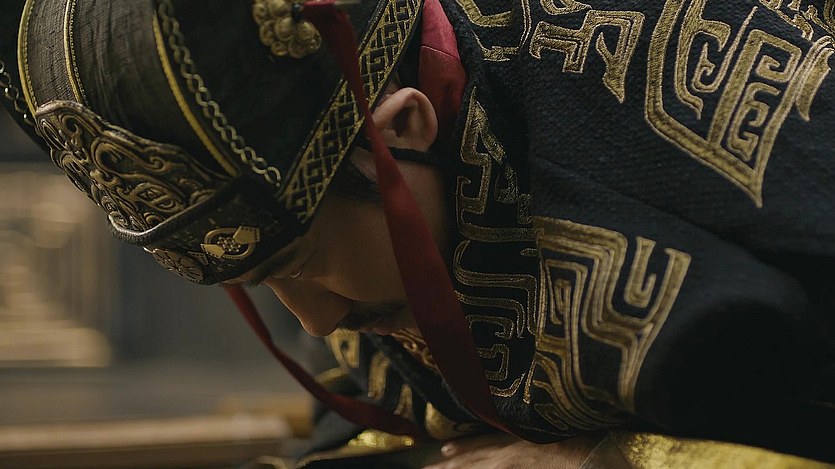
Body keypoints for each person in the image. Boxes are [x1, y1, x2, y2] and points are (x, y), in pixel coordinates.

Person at [2, 0, 834, 467]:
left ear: (402, 128)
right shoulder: (363, 246)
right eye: (258, 280)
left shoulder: (708, 87)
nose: (316, 319)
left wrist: (601, 461)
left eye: (302, 261)